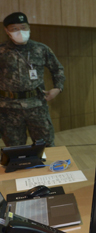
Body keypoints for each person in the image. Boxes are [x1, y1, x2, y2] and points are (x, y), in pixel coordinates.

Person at [0, 12, 65, 147]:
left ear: (29, 27)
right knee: (15, 149)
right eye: (15, 29)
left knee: (46, 146)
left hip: (37, 106)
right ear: (7, 30)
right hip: (9, 109)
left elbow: (57, 69)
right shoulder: (2, 52)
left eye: (23, 27)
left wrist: (57, 88)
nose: (20, 32)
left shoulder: (41, 49)